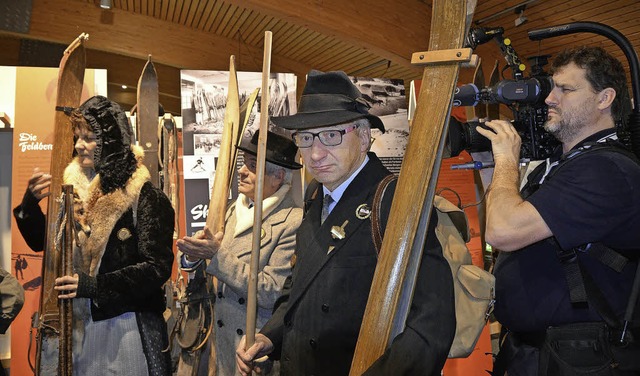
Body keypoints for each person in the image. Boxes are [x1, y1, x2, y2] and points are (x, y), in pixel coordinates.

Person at [235, 70, 455, 375]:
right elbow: (299, 286)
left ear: (363, 137)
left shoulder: (395, 200)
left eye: (331, 135)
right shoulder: (316, 195)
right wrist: (269, 337)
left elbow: (432, 322)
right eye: (306, 137)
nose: (315, 153)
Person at [477, 46, 640, 375]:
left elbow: (503, 231)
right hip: (540, 353)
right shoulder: (561, 166)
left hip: (583, 358)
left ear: (604, 98)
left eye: (566, 89)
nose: (550, 98)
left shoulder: (606, 169)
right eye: (552, 88)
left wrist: (507, 161)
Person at [13, 95, 175, 375]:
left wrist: (94, 286)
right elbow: (45, 243)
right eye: (77, 137)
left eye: (88, 138)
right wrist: (29, 206)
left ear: (109, 141)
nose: (78, 145)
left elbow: (156, 268)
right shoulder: (71, 193)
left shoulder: (145, 196)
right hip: (82, 327)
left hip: (127, 328)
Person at [176, 130, 304, 375]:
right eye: (244, 163)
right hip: (223, 346)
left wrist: (217, 255)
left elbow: (272, 292)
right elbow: (220, 273)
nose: (243, 171)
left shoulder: (292, 222)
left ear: (278, 176)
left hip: (254, 350)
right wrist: (195, 257)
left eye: (253, 166)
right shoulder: (237, 209)